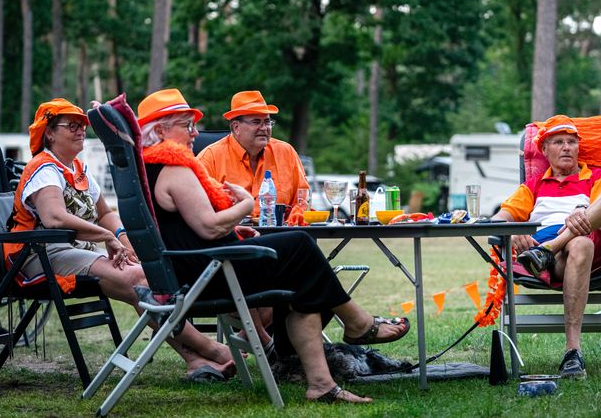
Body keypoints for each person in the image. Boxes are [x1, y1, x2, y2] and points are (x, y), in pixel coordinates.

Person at [137, 89, 410, 403]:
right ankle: (357, 324)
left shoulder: (153, 170)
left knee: (303, 275)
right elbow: (209, 227)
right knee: (301, 245)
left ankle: (322, 384)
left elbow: (183, 228)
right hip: (211, 272)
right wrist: (244, 205)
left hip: (198, 267)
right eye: (187, 125)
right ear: (160, 131)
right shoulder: (175, 169)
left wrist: (233, 228)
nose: (195, 133)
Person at [6, 98, 237, 382]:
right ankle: (215, 350)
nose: (81, 130)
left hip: (70, 251)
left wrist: (126, 242)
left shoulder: (77, 168)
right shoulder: (43, 168)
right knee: (137, 280)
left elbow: (105, 214)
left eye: (83, 125)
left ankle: (194, 360)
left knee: (147, 275)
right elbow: (55, 219)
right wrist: (106, 237)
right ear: (50, 133)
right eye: (72, 126)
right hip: (36, 255)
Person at [491, 115, 601, 380]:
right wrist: (512, 232)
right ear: (545, 151)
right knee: (579, 244)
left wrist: (582, 215)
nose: (567, 147)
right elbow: (499, 219)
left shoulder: (597, 178)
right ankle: (573, 352)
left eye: (572, 142)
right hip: (554, 262)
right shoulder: (533, 186)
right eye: (558, 142)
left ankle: (550, 247)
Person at [196, 90, 309, 217]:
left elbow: (302, 202)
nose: (264, 128)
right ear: (236, 127)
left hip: (277, 228)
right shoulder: (210, 158)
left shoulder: (286, 153)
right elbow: (199, 212)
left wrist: (297, 215)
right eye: (256, 122)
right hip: (232, 229)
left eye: (267, 122)